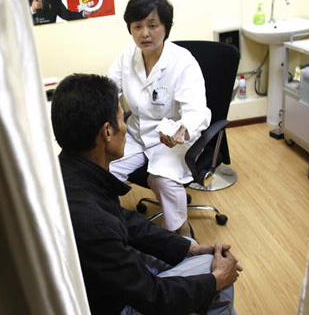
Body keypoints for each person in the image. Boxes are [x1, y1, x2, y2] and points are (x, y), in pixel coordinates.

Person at [51, 73, 241, 315]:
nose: (125, 128)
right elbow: (156, 297)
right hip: (111, 307)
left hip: (102, 282)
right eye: (123, 119)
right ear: (107, 132)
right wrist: (217, 279)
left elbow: (123, 219)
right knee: (212, 267)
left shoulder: (67, 173)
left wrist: (187, 248)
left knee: (191, 247)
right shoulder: (93, 223)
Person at [108, 0, 211, 234]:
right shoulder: (127, 57)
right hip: (135, 134)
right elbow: (109, 89)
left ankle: (179, 236)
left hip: (172, 139)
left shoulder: (183, 62)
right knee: (105, 170)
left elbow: (196, 110)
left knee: (162, 179)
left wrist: (182, 130)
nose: (145, 33)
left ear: (165, 27)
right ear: (130, 30)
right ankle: (109, 228)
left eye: (153, 25)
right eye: (138, 26)